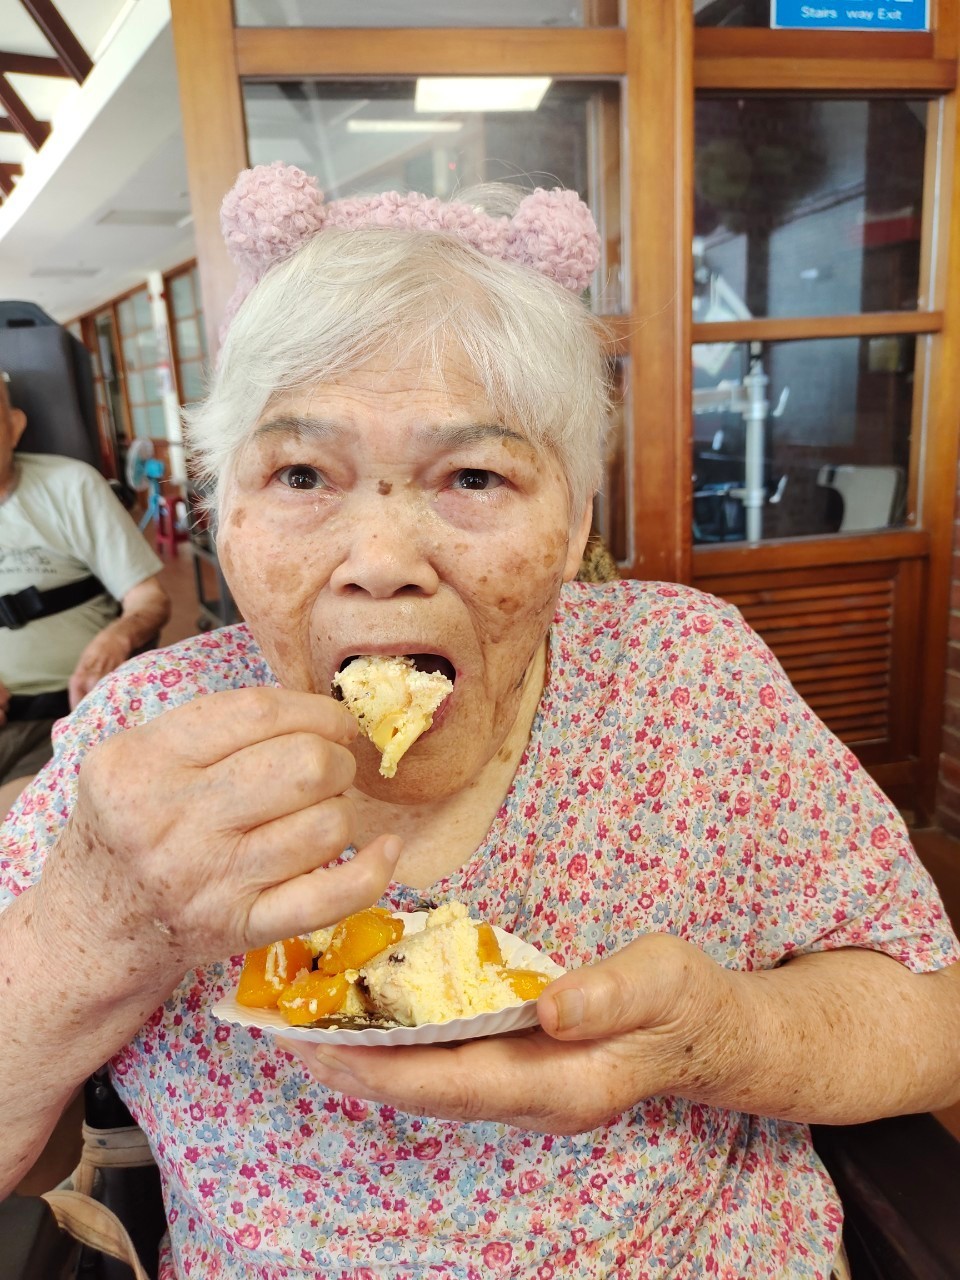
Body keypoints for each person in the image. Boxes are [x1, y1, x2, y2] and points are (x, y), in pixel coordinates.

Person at [1, 163, 958, 1280]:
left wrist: (716, 1037)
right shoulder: (141, 743)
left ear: (574, 523)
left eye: (473, 476)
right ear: (224, 515)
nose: (380, 563)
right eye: (301, 472)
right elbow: (31, 1154)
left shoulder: (687, 674)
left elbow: (934, 1023)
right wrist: (89, 932)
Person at [0, 371, 170, 812]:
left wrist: (119, 637)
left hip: (61, 715)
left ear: (15, 426)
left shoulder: (72, 486)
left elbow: (148, 599)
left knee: (19, 823)